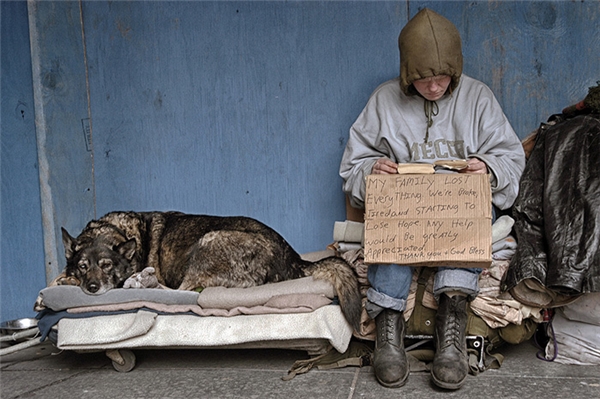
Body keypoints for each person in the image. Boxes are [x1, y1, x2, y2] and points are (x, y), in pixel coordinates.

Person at [339, 8, 525, 390]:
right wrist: (372, 172)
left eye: (442, 78)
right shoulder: (383, 100)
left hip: (455, 209)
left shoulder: (478, 98)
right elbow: (352, 166)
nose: (435, 88)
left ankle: (451, 324)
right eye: (424, 80)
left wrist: (487, 170)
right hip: (405, 210)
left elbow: (511, 158)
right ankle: (388, 327)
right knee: (388, 218)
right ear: (407, 75)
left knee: (472, 208)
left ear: (455, 71)